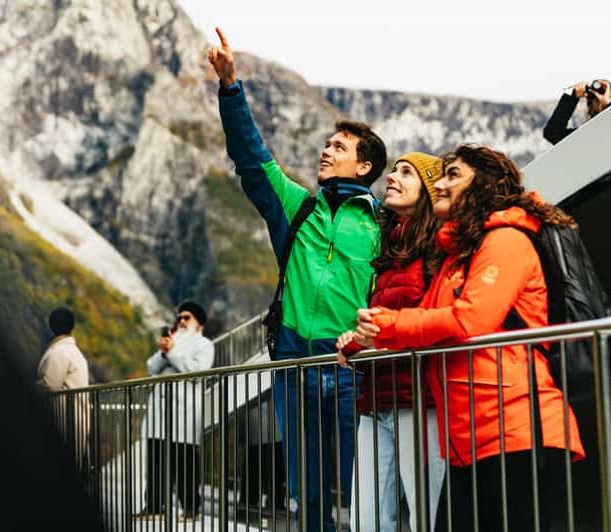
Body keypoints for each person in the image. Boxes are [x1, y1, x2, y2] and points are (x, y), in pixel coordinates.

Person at [208, 27, 388, 532]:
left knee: (364, 482)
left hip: (352, 368)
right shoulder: (298, 206)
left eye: (339, 146)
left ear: (365, 165)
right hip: (293, 364)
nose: (326, 151)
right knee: (304, 489)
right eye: (327, 144)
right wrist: (230, 86)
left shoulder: (383, 225)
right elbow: (251, 158)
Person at [356, 145, 586, 532]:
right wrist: (365, 337)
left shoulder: (506, 240)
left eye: (453, 175)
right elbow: (424, 320)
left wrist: (388, 326)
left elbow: (472, 318)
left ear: (485, 185)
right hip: (469, 439)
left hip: (515, 430)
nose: (440, 184)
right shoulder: (457, 257)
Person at [334, 152, 446, 532]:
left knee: (427, 514)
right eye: (394, 170)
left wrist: (370, 337)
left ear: (428, 190)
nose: (392, 177)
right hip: (376, 399)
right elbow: (381, 326)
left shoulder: (438, 250)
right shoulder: (388, 257)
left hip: (419, 401)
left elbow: (431, 321)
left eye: (407, 172)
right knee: (364, 519)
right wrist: (355, 340)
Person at [137, 301, 214, 521]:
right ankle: (154, 507)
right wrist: (163, 352)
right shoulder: (172, 341)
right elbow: (151, 367)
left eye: (187, 317)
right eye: (179, 317)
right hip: (160, 411)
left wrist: (171, 352)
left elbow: (196, 370)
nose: (181, 321)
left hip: (184, 412)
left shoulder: (204, 345)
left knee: (185, 462)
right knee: (156, 461)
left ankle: (190, 509)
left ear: (199, 323)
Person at [36, 306, 91, 469]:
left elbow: (49, 385)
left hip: (66, 421)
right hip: (74, 418)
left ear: (51, 326)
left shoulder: (59, 352)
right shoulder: (72, 351)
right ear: (71, 327)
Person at [543, 79, 611, 144]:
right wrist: (572, 97)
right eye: (594, 99)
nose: (602, 100)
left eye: (610, 97)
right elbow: (553, 134)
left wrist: (609, 107)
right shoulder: (587, 137)